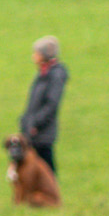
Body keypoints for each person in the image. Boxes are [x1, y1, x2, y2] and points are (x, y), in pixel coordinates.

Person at [20, 35, 68, 175]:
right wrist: (25, 121)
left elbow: (51, 105)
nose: (33, 56)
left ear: (44, 55)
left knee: (47, 173)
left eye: (36, 53)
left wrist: (35, 124)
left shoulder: (55, 75)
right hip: (33, 132)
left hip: (42, 134)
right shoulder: (43, 73)